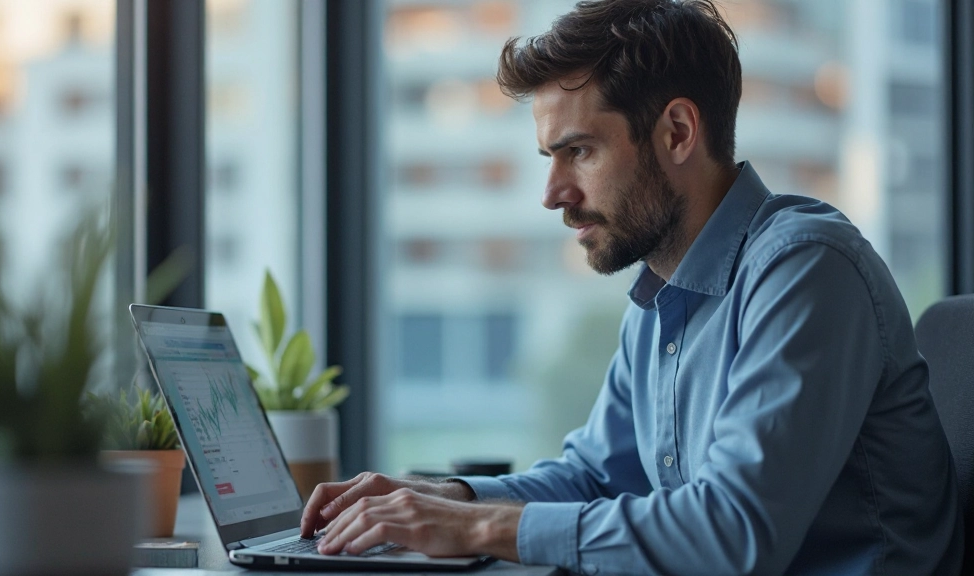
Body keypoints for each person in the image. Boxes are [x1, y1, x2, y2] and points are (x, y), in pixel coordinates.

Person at [300, 1, 963, 574]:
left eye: (579, 152)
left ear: (677, 132)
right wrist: (447, 498)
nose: (553, 195)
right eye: (550, 158)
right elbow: (596, 477)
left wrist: (478, 530)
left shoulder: (807, 271)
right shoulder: (662, 295)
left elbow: (733, 533)